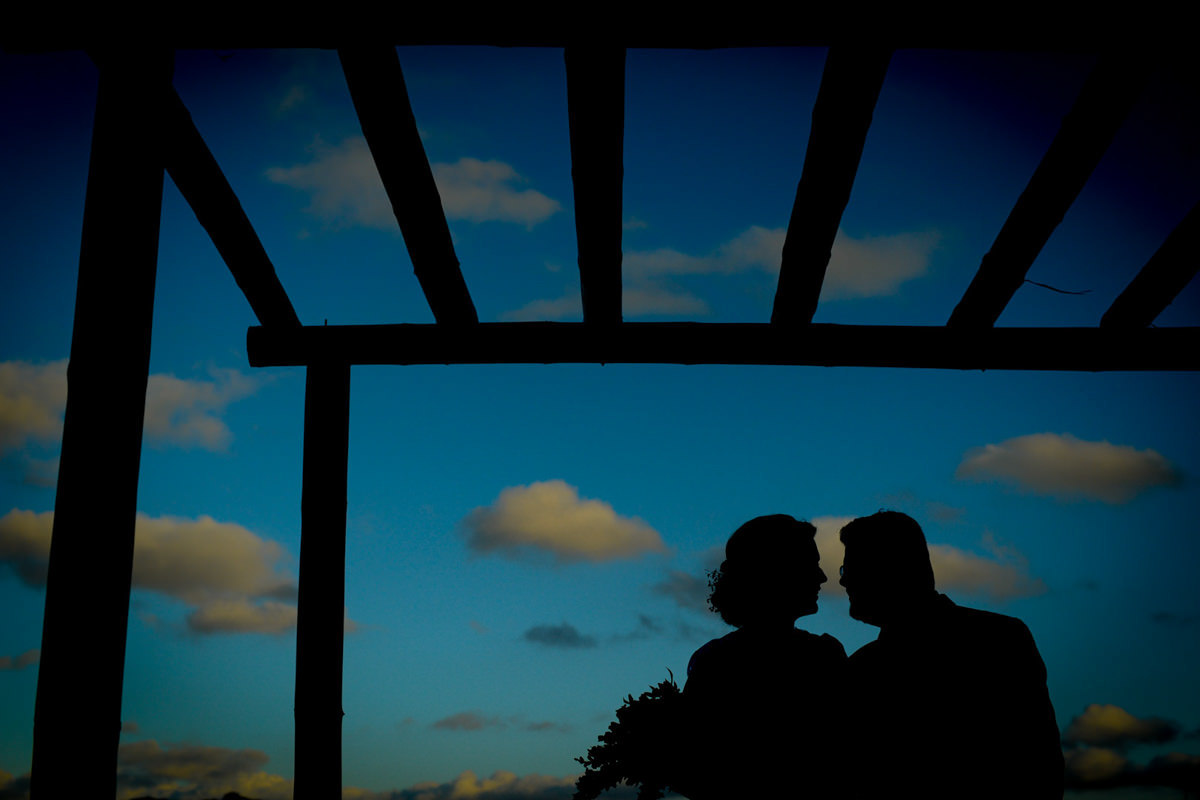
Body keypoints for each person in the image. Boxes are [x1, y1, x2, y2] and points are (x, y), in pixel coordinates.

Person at [838, 511, 1064, 799]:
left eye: (852, 568)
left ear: (892, 568)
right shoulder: (1001, 636)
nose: (844, 582)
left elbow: (1038, 761)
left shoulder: (998, 640)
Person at [675, 514, 846, 799]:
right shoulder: (823, 656)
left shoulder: (714, 661)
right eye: (810, 564)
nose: (822, 576)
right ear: (776, 572)